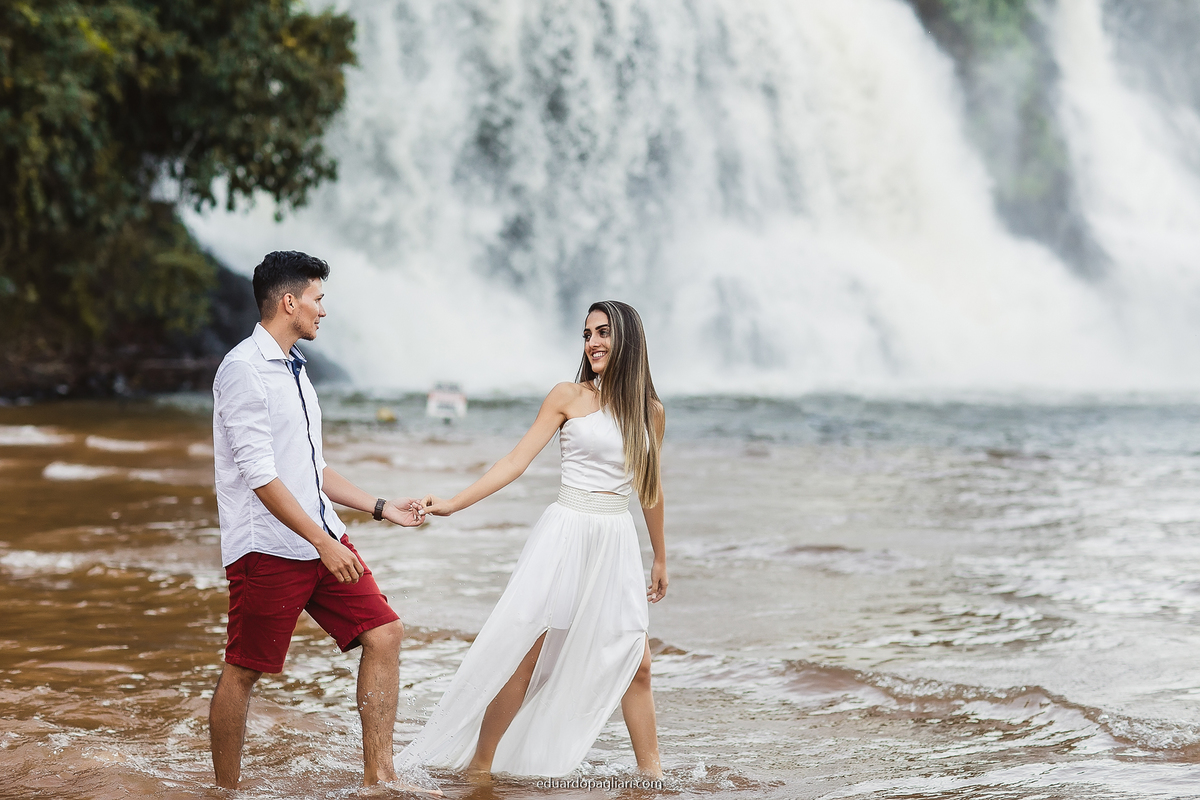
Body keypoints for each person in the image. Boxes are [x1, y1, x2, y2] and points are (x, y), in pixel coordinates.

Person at [397, 300, 669, 781]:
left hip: (615, 542)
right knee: (529, 654)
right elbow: (514, 462)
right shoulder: (567, 396)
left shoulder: (652, 412)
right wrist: (454, 503)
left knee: (636, 660)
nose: (593, 343)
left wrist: (661, 557)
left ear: (628, 337)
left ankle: (654, 776)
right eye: (587, 335)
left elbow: (650, 488)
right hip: (567, 533)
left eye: (602, 332)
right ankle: (480, 765)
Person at [208, 250, 426, 790]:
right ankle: (226, 789)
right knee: (245, 668)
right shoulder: (241, 370)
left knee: (385, 632)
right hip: (268, 548)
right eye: (317, 299)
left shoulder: (296, 370)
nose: (323, 311)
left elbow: (312, 467)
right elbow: (261, 478)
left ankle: (380, 777)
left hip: (319, 536)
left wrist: (379, 507)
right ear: (289, 302)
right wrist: (323, 543)